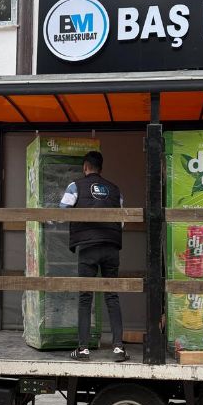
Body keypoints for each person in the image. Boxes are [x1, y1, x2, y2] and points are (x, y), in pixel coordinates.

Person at [60, 150, 127, 362]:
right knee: (112, 296)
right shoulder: (115, 190)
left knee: (85, 297)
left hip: (88, 247)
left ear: (85, 167)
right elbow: (122, 222)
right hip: (111, 247)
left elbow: (61, 213)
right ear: (101, 168)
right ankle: (118, 348)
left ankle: (83, 349)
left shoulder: (75, 186)